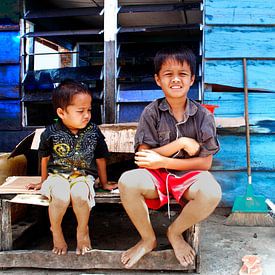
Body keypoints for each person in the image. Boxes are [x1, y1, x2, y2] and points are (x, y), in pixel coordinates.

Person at [118, 47, 222, 268]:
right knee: (128, 180)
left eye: (183, 74)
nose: (176, 80)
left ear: (192, 79)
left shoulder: (204, 116)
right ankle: (148, 239)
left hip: (190, 176)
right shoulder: (151, 112)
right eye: (168, 74)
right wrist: (181, 143)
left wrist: (163, 160)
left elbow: (205, 163)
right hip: (155, 176)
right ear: (158, 80)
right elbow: (143, 156)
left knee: (212, 192)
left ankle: (175, 232)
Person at [26, 79, 117, 256]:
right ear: (61, 112)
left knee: (80, 195)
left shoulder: (93, 131)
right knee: (59, 197)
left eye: (89, 110)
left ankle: (82, 230)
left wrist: (104, 183)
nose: (87, 115)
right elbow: (44, 159)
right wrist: (42, 182)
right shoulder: (50, 132)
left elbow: (100, 158)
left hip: (83, 176)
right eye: (80, 111)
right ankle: (56, 230)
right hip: (56, 176)